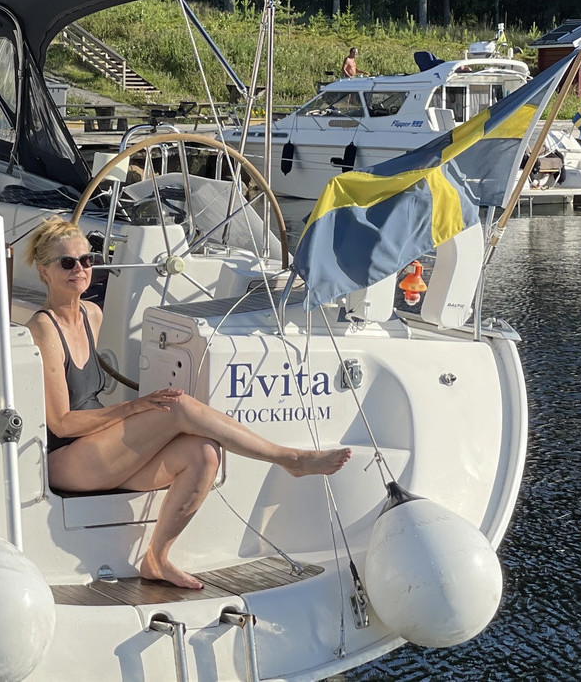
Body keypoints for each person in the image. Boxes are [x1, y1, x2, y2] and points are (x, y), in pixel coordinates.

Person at [25, 217, 351, 590]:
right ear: (44, 272)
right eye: (67, 263)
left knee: (204, 454)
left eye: (87, 260)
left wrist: (134, 411)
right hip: (68, 459)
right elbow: (61, 423)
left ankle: (157, 558)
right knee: (176, 407)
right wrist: (133, 407)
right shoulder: (44, 329)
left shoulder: (92, 315)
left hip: (100, 451)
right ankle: (289, 458)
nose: (80, 269)